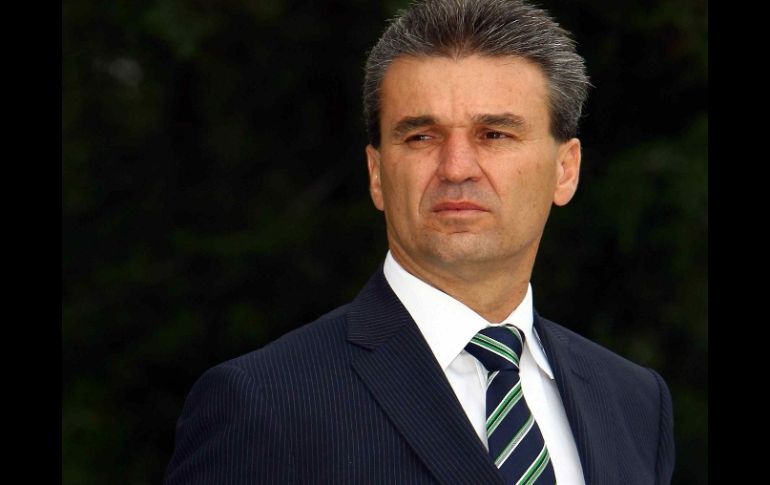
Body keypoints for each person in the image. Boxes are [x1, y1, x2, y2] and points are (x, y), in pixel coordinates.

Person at [164, 0, 675, 483]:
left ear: (566, 170)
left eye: (494, 134)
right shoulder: (263, 403)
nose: (456, 168)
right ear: (377, 174)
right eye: (421, 137)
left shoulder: (634, 402)